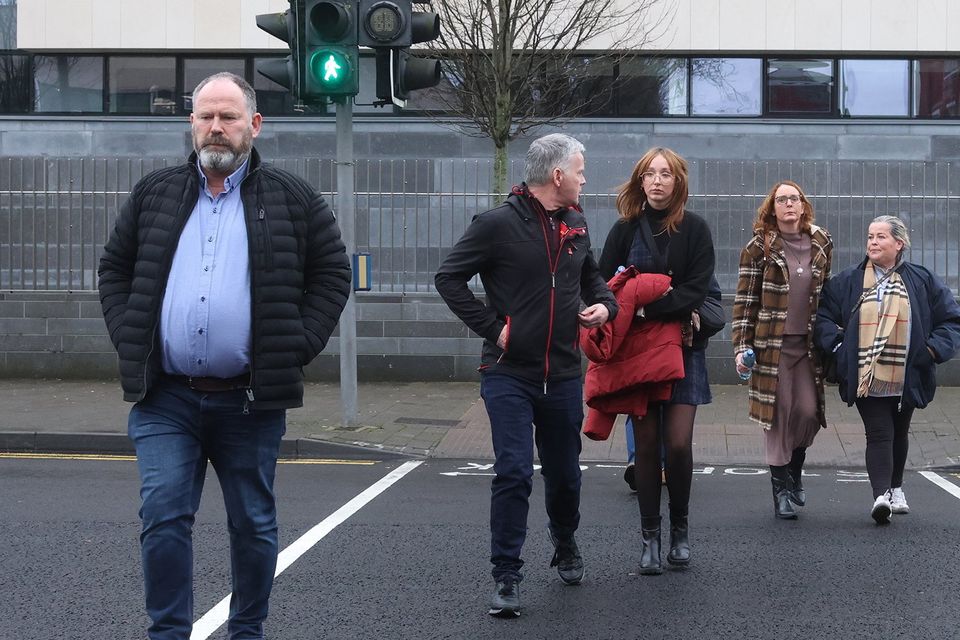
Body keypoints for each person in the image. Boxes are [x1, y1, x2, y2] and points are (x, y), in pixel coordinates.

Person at [98, 72, 351, 639]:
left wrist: (295, 346)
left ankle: (247, 630)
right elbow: (114, 268)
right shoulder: (154, 193)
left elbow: (332, 274)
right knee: (163, 517)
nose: (216, 127)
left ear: (254, 126)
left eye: (229, 117)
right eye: (205, 115)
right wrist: (130, 337)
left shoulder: (292, 198)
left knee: (254, 526)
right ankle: (167, 633)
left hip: (249, 402)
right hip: (165, 397)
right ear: (191, 123)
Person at [435, 133, 617, 618]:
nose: (584, 178)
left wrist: (605, 305)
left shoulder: (576, 223)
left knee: (564, 476)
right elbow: (448, 278)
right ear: (557, 175)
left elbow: (592, 277)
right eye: (580, 170)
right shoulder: (495, 225)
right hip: (508, 374)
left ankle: (565, 539)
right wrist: (495, 330)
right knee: (513, 471)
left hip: (561, 374)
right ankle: (506, 576)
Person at [598, 147, 715, 575]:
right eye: (650, 174)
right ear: (640, 181)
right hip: (638, 354)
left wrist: (645, 307)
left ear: (678, 181)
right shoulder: (624, 230)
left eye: (666, 174)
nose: (658, 181)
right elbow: (603, 285)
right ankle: (650, 538)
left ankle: (680, 532)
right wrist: (651, 305)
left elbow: (697, 291)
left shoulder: (696, 229)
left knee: (679, 443)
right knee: (646, 445)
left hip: (684, 350)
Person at [815, 215, 960, 524]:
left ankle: (896, 487)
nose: (873, 242)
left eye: (881, 237)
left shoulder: (922, 280)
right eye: (870, 236)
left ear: (899, 243)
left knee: (899, 431)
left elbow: (951, 319)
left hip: (908, 371)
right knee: (879, 432)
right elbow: (823, 315)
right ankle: (881, 495)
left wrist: (932, 349)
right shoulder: (848, 280)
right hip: (867, 372)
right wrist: (840, 348)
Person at [731, 180, 833, 519]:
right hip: (770, 347)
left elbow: (827, 294)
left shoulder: (821, 243)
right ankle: (780, 495)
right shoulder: (758, 248)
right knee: (776, 418)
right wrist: (741, 347)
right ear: (772, 208)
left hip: (807, 347)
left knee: (807, 412)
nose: (789, 204)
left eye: (795, 198)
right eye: (781, 199)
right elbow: (745, 302)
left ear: (803, 206)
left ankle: (795, 472)